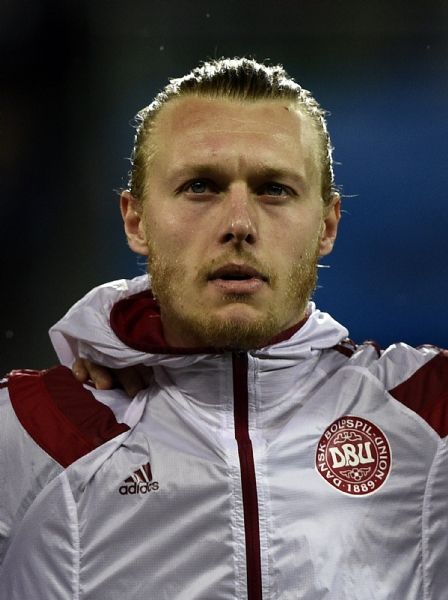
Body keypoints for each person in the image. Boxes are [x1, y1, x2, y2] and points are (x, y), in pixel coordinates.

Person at [0, 57, 447, 600]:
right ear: (136, 221)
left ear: (327, 225)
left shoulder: (430, 413)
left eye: (274, 189)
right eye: (200, 187)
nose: (239, 224)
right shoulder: (31, 431)